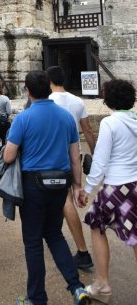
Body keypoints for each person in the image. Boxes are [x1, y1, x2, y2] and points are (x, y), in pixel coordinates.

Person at [4, 70, 90, 305]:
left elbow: (9, 156)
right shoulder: (65, 117)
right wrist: (78, 186)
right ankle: (76, 287)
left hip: (34, 185)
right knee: (54, 235)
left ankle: (37, 298)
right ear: (49, 89)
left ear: (28, 91)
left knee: (33, 242)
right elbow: (75, 157)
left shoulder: (24, 118)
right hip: (60, 184)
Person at [83, 79, 137, 303]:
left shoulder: (109, 123)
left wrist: (87, 188)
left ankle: (103, 283)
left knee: (96, 225)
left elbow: (101, 161)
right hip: (135, 184)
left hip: (116, 185)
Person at [47, 65, 96, 270]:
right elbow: (87, 130)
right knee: (67, 197)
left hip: (53, 154)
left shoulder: (47, 100)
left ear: (49, 80)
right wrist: (95, 154)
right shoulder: (77, 101)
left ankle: (82, 250)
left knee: (65, 200)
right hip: (74, 152)